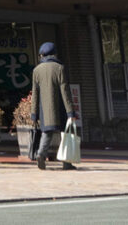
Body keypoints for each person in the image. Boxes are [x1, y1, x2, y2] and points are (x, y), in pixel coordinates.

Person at [29, 42, 73, 170]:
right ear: (54, 53)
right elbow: (65, 91)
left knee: (46, 133)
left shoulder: (36, 70)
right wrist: (70, 112)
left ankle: (41, 154)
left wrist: (34, 114)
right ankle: (66, 162)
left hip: (44, 109)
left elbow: (35, 94)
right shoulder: (59, 68)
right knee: (65, 134)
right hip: (60, 107)